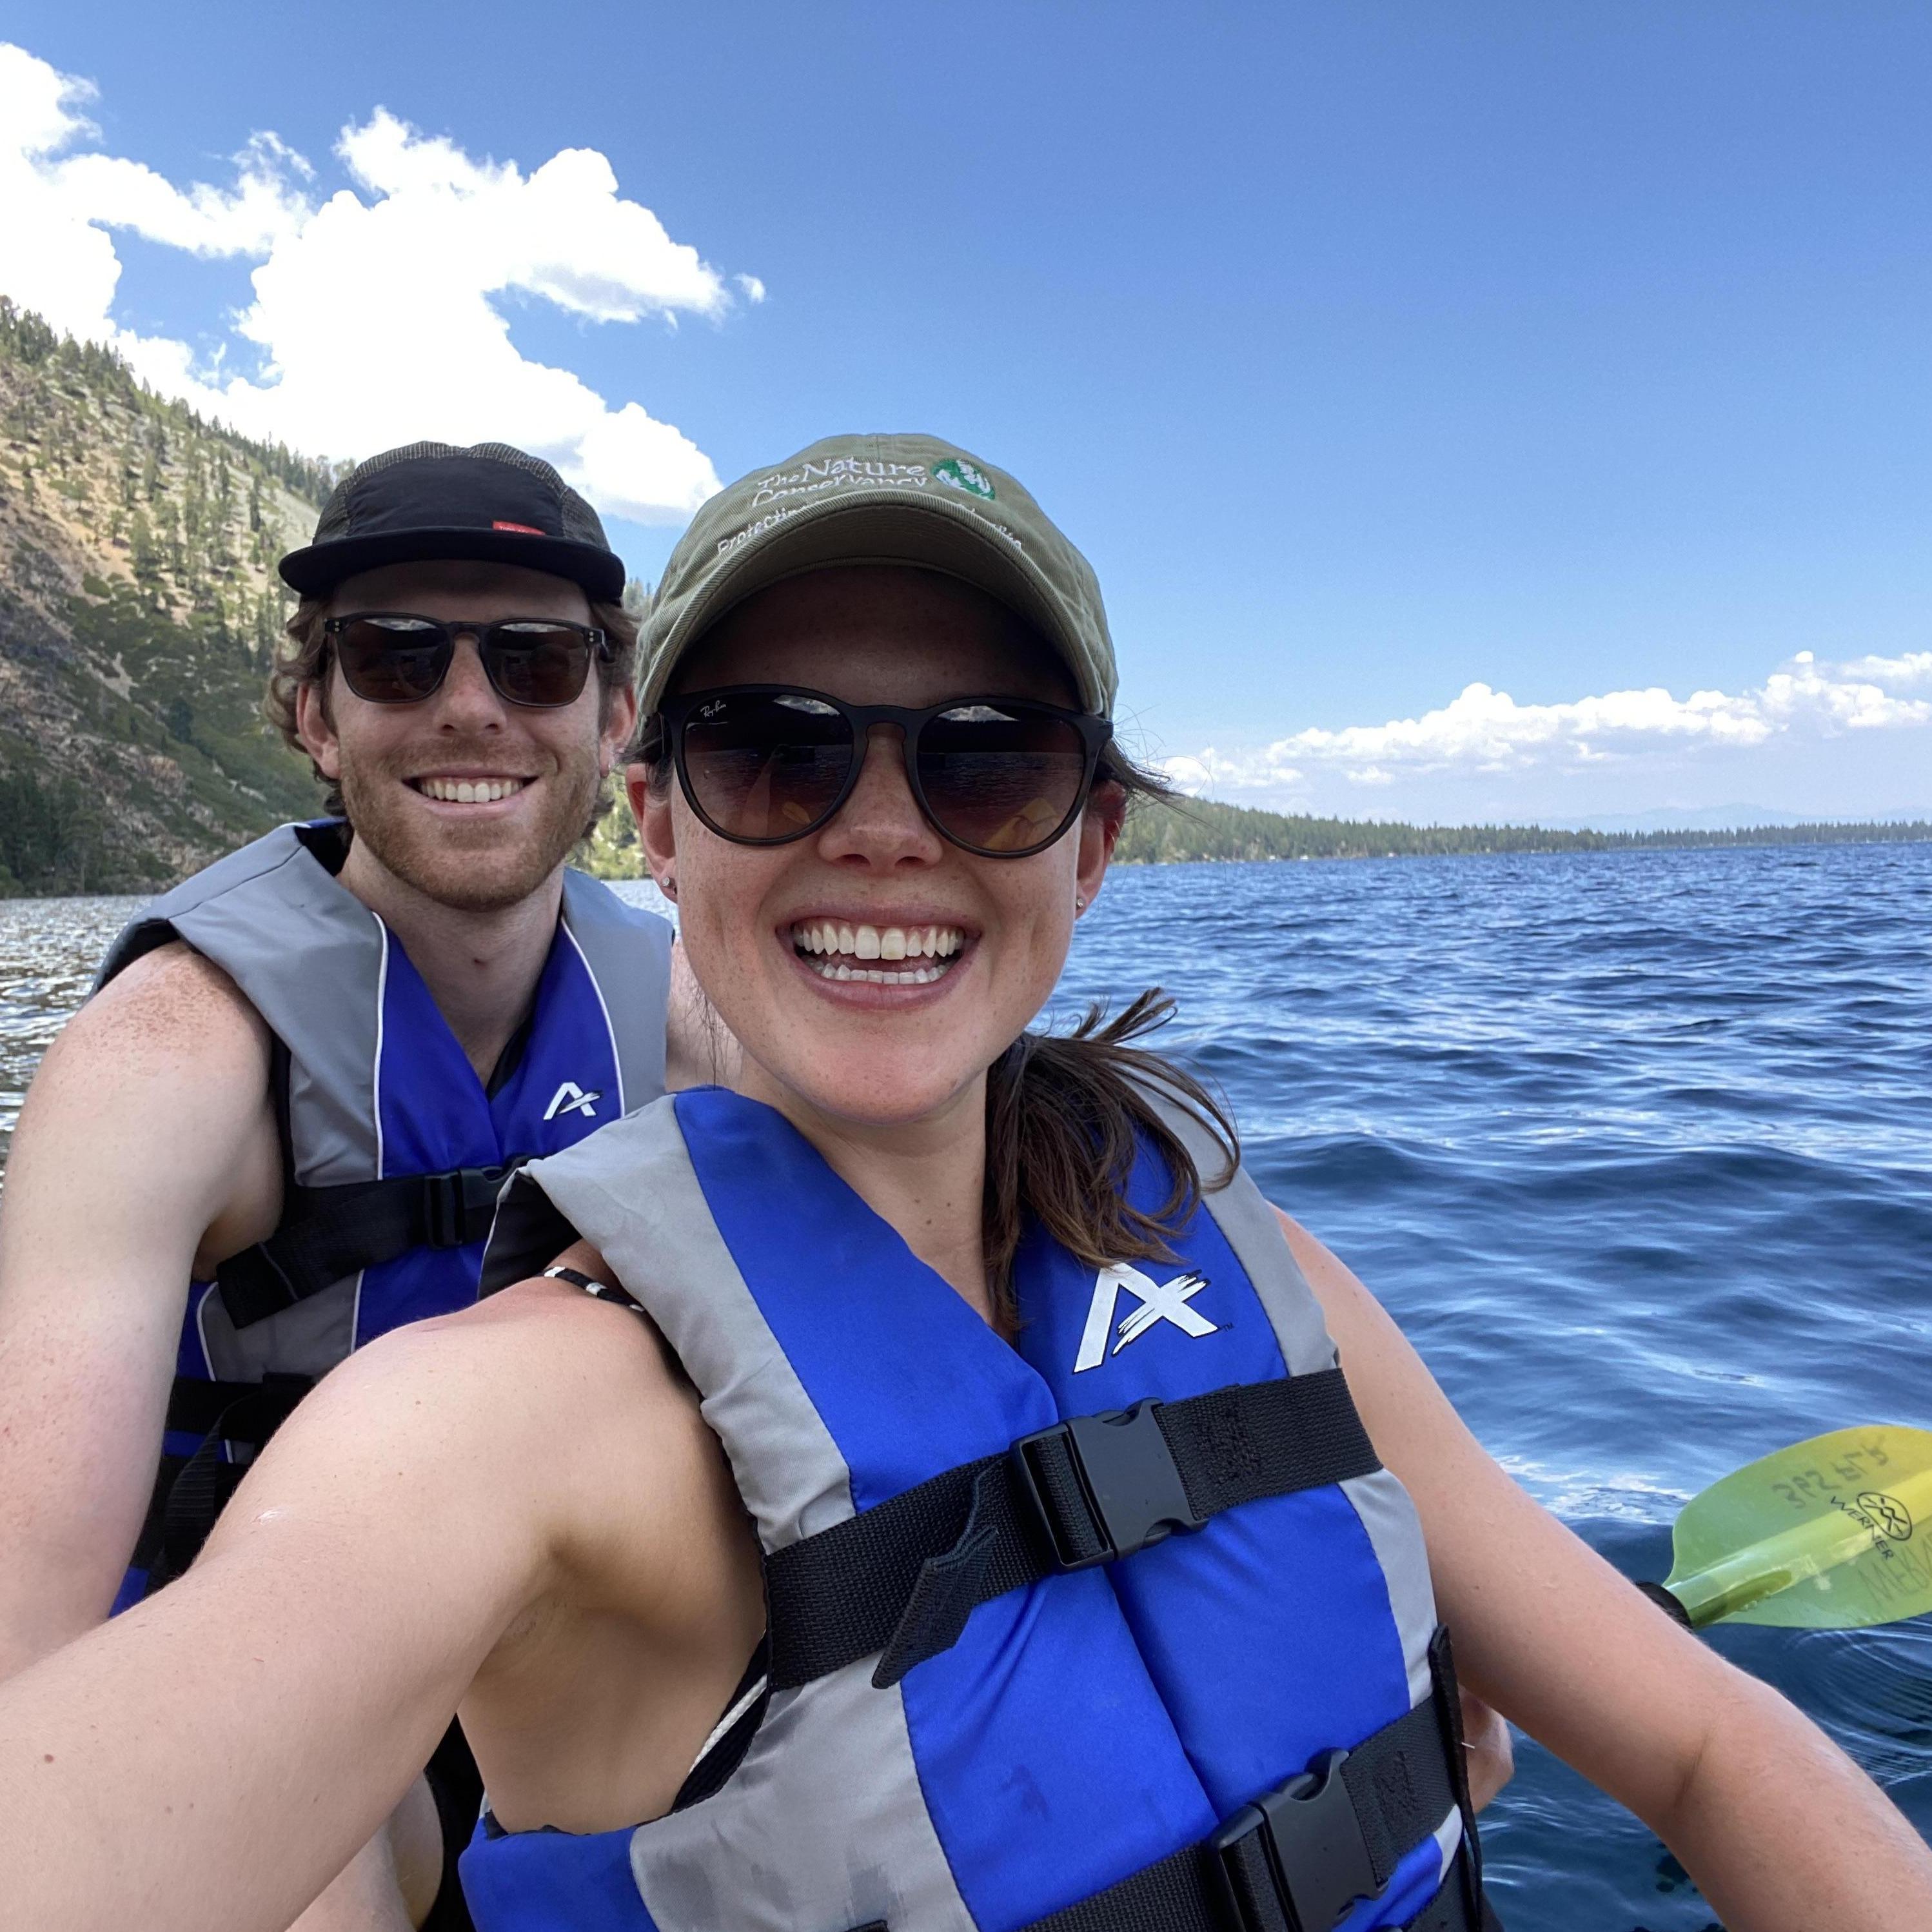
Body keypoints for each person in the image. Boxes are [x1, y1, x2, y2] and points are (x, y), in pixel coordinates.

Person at [4, 433, 1927, 1932]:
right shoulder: (463, 1412)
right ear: (660, 815)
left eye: (986, 767)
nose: (881, 835)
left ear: (1090, 844)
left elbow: (1696, 1742)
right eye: (774, 754)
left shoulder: (1245, 1266)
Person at [0, 441, 720, 1929]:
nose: (471, 704)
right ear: (318, 716)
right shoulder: (169, 1062)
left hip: (566, 1638)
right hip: (256, 1644)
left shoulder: (683, 1011)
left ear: (614, 713)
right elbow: (27, 1631)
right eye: (398, 656)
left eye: (534, 658)